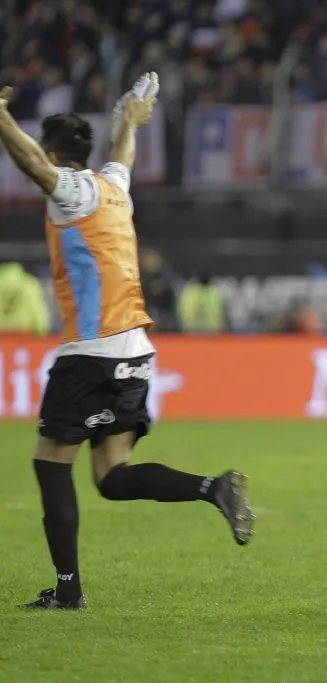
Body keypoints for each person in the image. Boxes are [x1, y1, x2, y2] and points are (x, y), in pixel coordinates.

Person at [0, 74, 254, 610]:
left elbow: (32, 167)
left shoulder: (72, 192)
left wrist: (1, 119)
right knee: (111, 477)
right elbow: (124, 155)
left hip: (91, 350)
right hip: (136, 350)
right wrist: (131, 120)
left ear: (52, 151)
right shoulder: (114, 187)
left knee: (51, 463)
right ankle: (214, 487)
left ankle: (68, 593)